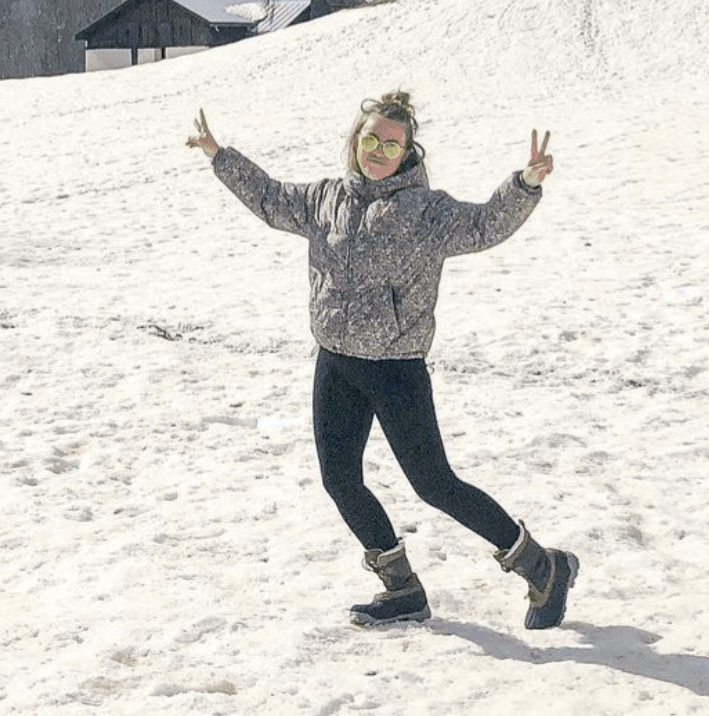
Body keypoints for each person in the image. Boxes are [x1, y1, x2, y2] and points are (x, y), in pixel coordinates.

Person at [188, 90, 576, 630]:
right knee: (339, 479)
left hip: (396, 368)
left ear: (407, 151)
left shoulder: (426, 212)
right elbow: (270, 198)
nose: (378, 150)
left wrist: (524, 185)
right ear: (355, 141)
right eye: (370, 139)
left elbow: (485, 224)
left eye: (391, 144)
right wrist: (219, 155)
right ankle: (402, 590)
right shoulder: (326, 198)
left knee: (435, 484)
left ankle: (543, 566)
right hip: (337, 362)